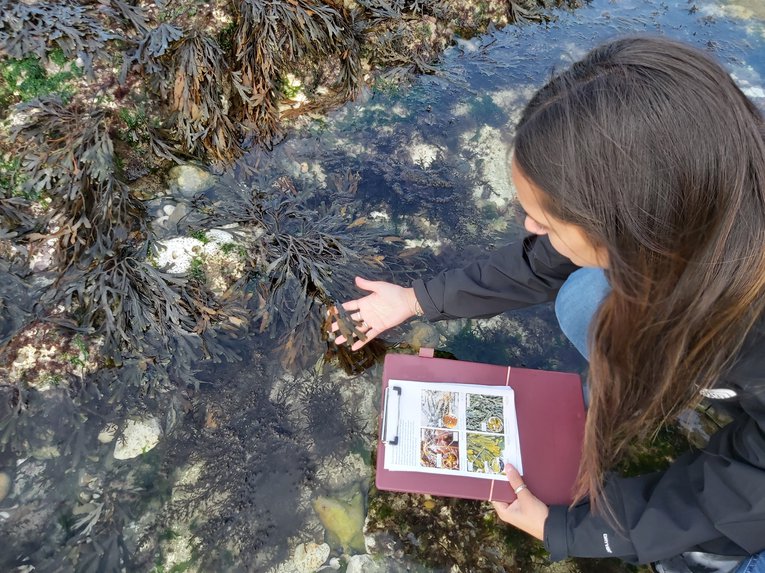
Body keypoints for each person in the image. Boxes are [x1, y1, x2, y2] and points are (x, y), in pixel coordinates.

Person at [329, 36, 765, 572]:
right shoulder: (701, 178)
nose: (529, 229)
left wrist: (571, 529)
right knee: (585, 298)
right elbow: (542, 264)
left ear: (631, 230)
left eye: (547, 221)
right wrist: (415, 300)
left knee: (692, 558)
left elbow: (748, 487)